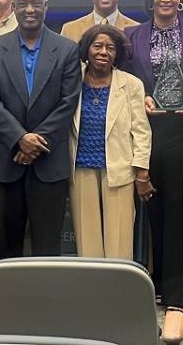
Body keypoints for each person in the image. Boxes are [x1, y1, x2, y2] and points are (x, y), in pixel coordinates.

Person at [124, 0, 183, 342]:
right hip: (146, 131)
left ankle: (179, 293)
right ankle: (158, 283)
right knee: (153, 206)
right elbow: (125, 78)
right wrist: (138, 98)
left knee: (180, 206)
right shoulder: (133, 36)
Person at [0, 0, 81, 258]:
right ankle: (6, 300)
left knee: (47, 246)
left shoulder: (67, 49)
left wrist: (36, 141)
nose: (30, 9)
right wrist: (20, 139)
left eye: (36, 3)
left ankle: (45, 301)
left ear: (46, 6)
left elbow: (68, 102)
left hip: (48, 162)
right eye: (23, 3)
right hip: (5, 162)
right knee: (4, 245)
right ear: (13, 7)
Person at [70, 24, 154, 259]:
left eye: (110, 48)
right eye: (97, 46)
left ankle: (119, 293)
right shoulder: (72, 80)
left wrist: (142, 173)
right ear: (87, 50)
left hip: (118, 170)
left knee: (119, 243)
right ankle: (92, 293)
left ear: (117, 53)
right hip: (80, 169)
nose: (103, 52)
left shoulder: (131, 84)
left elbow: (142, 131)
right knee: (88, 243)